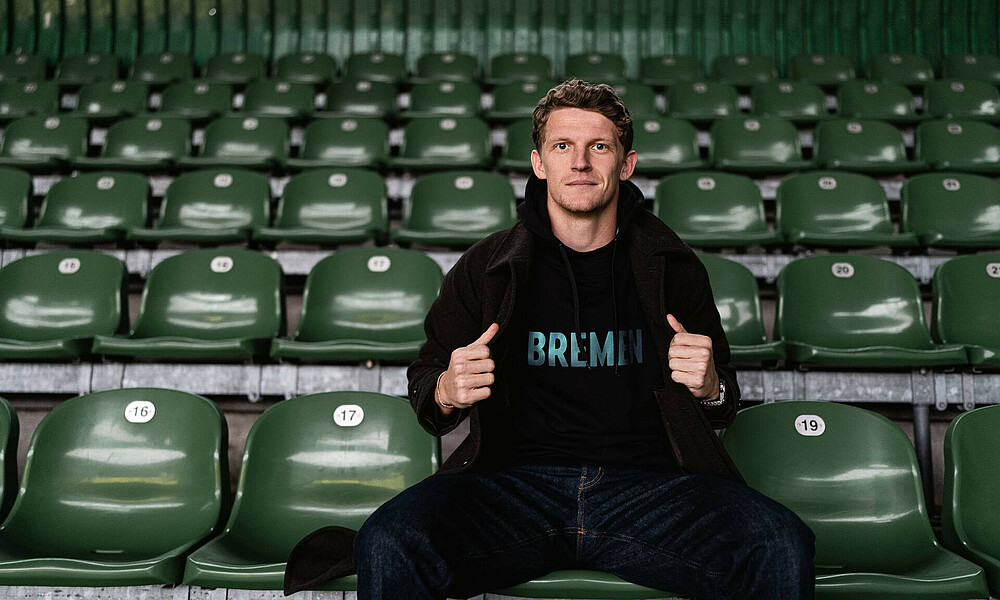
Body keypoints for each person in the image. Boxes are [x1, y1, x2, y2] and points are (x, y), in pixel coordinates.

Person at [284, 79, 814, 600]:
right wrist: (447, 388)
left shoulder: (672, 267)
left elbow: (723, 404)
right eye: (563, 146)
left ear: (625, 164)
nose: (580, 163)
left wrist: (709, 387)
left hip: (650, 492)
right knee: (390, 541)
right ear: (540, 163)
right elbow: (426, 390)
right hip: (513, 489)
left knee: (777, 542)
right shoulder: (486, 268)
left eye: (598, 146)